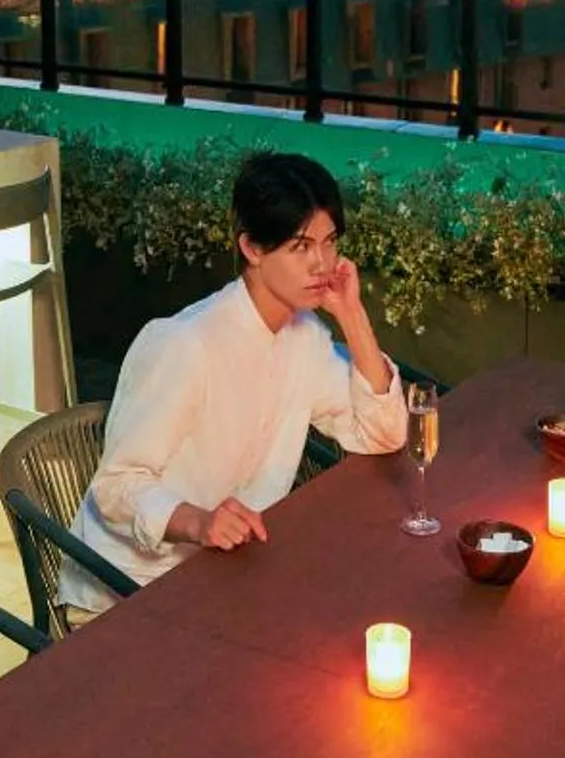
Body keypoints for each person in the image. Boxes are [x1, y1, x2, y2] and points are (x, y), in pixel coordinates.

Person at [68, 152, 408, 618]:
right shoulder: (184, 344)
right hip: (131, 589)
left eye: (330, 243)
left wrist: (352, 315)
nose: (322, 265)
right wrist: (200, 522)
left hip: (234, 573)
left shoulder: (305, 336)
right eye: (300, 247)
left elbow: (382, 434)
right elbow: (116, 486)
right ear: (252, 249)